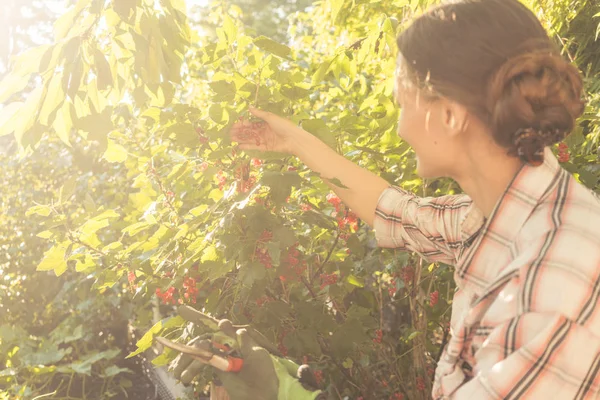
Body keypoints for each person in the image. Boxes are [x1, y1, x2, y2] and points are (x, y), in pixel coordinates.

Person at [172, 0, 600, 398]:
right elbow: (395, 212)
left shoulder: (546, 291)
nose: (400, 128)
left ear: (449, 115)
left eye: (402, 104)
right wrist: (295, 142)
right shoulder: (505, 217)